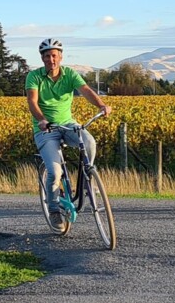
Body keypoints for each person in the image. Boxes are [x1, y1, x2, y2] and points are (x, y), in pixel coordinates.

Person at [25, 37, 111, 231]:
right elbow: (32, 101)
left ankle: (88, 177)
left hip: (68, 124)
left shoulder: (70, 74)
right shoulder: (34, 77)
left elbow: (86, 90)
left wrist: (101, 105)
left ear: (60, 57)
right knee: (54, 172)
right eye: (47, 56)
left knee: (89, 142)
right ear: (42, 59)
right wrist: (41, 119)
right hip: (46, 129)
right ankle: (54, 209)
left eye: (54, 55)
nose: (51, 60)